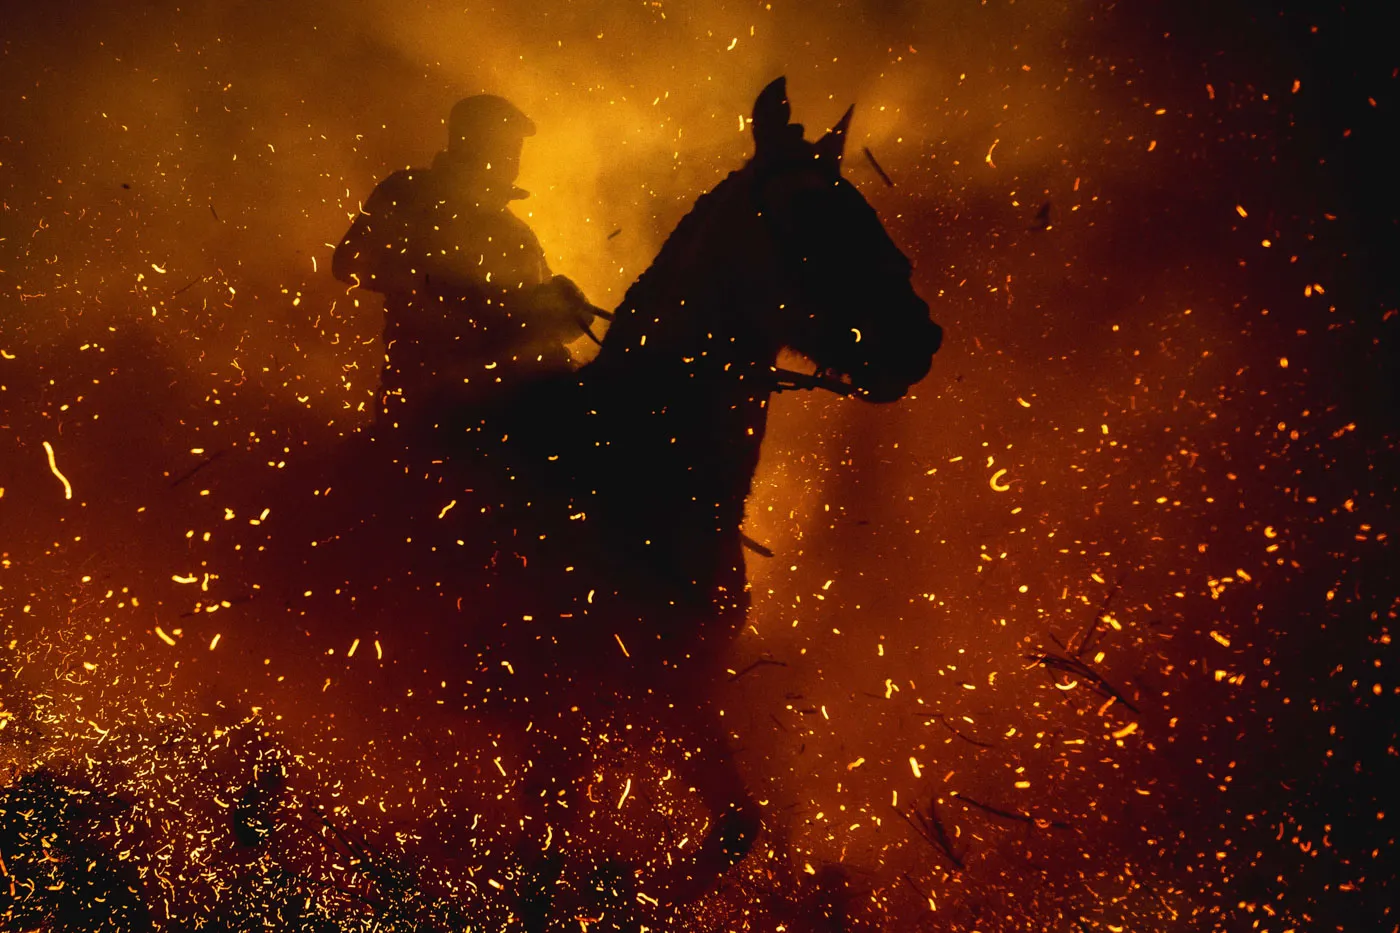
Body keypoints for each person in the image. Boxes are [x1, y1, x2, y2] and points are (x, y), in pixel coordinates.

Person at [333, 95, 600, 422]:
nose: (512, 159)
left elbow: (534, 320)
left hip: (507, 412)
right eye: (503, 145)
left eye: (515, 149)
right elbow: (348, 263)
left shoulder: (517, 233)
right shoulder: (409, 193)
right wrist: (440, 285)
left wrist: (568, 309)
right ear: (470, 142)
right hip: (425, 405)